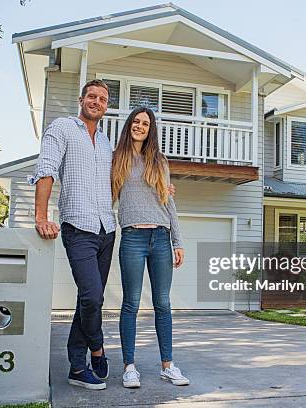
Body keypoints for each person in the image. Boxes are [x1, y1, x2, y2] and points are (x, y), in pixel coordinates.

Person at [29, 79, 114, 390]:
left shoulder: (105, 143)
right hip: (78, 227)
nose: (96, 102)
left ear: (107, 106)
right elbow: (46, 168)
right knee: (93, 297)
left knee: (87, 300)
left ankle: (77, 368)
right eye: (91, 96)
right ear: (81, 99)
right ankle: (97, 349)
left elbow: (118, 180)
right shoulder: (62, 128)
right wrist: (41, 216)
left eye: (102, 99)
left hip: (108, 230)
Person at [111, 107, 190, 388]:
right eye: (136, 121)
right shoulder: (117, 159)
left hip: (161, 239)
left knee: (163, 304)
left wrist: (177, 241)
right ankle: (129, 367)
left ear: (150, 129)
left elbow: (169, 202)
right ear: (129, 125)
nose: (140, 126)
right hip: (132, 237)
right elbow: (106, 196)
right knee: (131, 303)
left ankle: (167, 365)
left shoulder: (159, 160)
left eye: (145, 123)